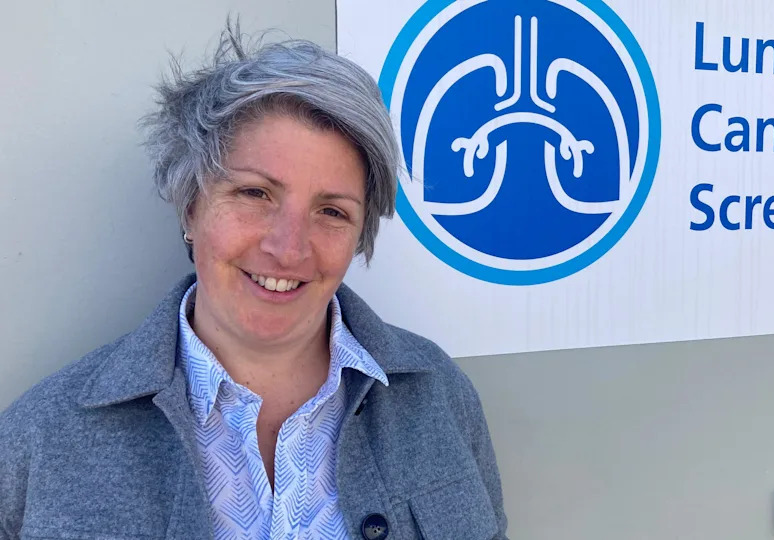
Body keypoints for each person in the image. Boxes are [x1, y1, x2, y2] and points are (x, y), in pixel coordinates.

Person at [0, 26, 508, 540]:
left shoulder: (438, 397)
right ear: (191, 204)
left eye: (331, 210)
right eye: (255, 193)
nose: (289, 248)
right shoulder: (40, 442)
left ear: (359, 234)